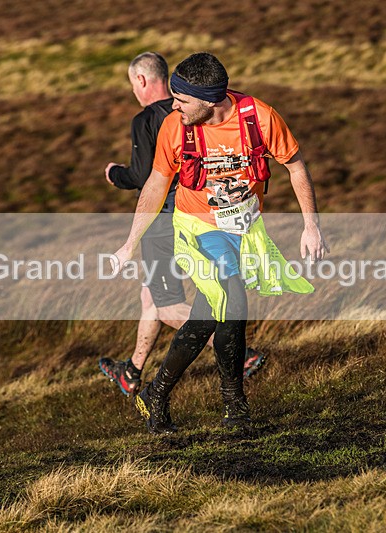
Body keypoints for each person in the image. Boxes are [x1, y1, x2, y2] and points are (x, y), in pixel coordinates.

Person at [111, 52, 328, 434]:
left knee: (208, 315)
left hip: (244, 230)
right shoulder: (175, 128)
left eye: (182, 100)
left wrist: (311, 226)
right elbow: (156, 185)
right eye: (173, 98)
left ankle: (155, 395)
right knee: (233, 297)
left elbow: (295, 166)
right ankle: (235, 406)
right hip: (195, 228)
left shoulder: (259, 117)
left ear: (211, 100)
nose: (173, 106)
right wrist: (130, 243)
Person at [99, 52, 265, 396]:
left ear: (142, 81)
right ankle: (131, 371)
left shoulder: (146, 120)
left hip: (164, 219)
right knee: (151, 296)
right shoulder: (199, 112)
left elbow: (145, 177)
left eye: (132, 84)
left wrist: (116, 175)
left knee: (165, 303)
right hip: (203, 213)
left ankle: (240, 354)